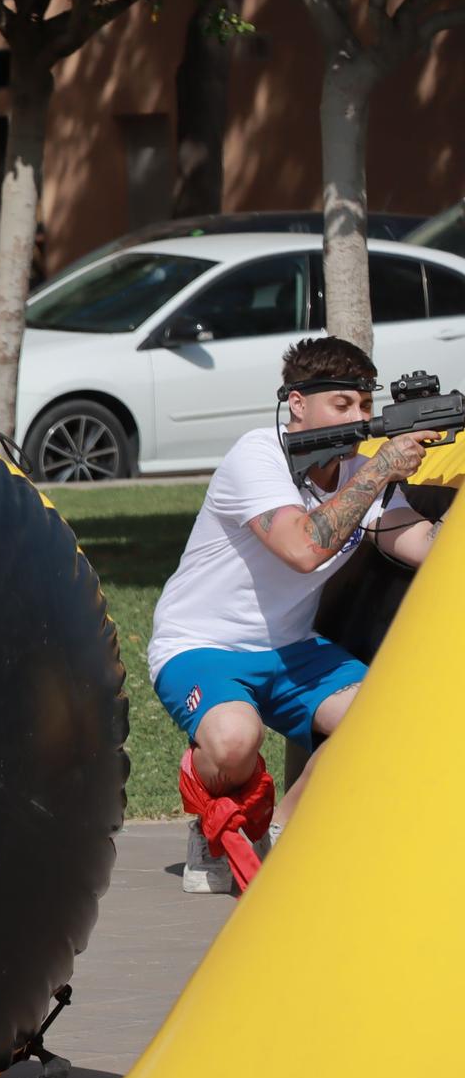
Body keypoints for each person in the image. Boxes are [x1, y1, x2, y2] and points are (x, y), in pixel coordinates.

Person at [149, 336, 441, 892]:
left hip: (294, 650)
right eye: (343, 406)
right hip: (200, 646)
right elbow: (302, 549)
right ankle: (211, 812)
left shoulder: (357, 467)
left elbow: (412, 538)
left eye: (365, 405)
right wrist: (380, 469)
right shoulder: (257, 454)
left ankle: (281, 831)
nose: (360, 418)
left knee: (385, 720)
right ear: (297, 404)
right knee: (235, 739)